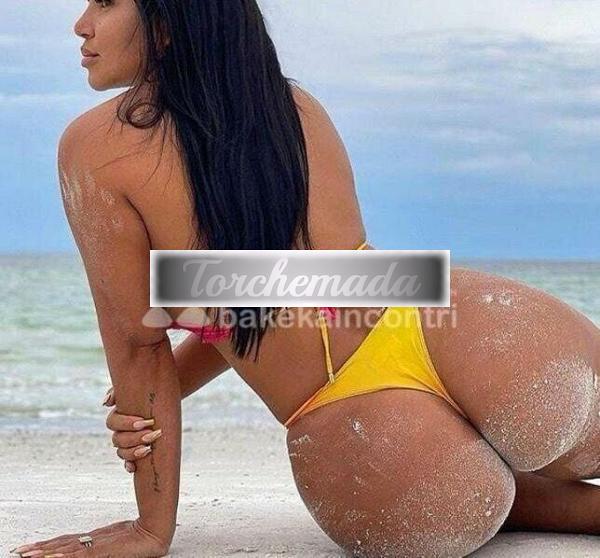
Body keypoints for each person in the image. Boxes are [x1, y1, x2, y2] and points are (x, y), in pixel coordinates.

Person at [10, 1, 600, 557]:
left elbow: (142, 342)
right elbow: (307, 286)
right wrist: (171, 382)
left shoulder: (95, 147)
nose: (81, 24)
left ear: (167, 22)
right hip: (471, 326)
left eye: (106, 2)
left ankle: (515, 493)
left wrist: (150, 526)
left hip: (351, 415)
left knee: (469, 498)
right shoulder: (293, 106)